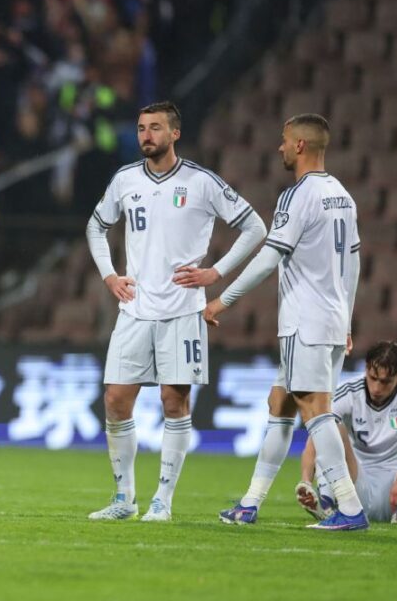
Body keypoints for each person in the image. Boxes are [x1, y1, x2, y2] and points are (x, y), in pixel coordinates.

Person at [86, 101, 266, 521]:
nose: (146, 135)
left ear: (175, 133)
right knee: (115, 399)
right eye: (141, 128)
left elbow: (255, 226)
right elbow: (96, 225)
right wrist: (110, 275)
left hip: (183, 311)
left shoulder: (200, 182)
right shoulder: (125, 179)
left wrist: (216, 272)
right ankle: (123, 499)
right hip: (134, 308)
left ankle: (162, 501)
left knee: (174, 401)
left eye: (155, 128)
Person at [208, 113, 367, 530]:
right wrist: (347, 321)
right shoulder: (343, 195)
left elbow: (268, 258)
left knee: (315, 410)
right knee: (280, 404)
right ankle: (250, 503)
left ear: (299, 145)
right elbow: (353, 263)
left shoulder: (296, 196)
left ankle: (350, 508)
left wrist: (222, 301)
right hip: (331, 320)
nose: (279, 147)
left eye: (283, 140)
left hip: (304, 321)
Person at [296, 342, 397, 525]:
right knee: (328, 427)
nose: (376, 388)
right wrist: (305, 481)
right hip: (357, 488)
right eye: (373, 378)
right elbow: (316, 436)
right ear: (366, 369)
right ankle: (327, 504)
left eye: (385, 382)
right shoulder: (349, 392)